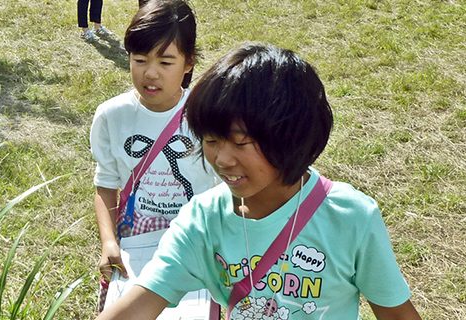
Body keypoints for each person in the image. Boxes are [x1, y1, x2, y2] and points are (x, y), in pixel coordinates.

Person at [97, 43, 422, 319]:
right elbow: (141, 300)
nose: (222, 160)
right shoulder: (203, 221)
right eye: (211, 141)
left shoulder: (350, 218)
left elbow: (396, 313)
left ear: (290, 137)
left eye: (240, 143)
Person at [89, 0, 216, 313]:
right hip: (135, 245)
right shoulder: (111, 116)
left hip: (195, 243)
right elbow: (105, 184)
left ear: (189, 63)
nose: (150, 73)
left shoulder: (207, 117)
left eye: (166, 62)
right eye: (140, 59)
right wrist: (109, 242)